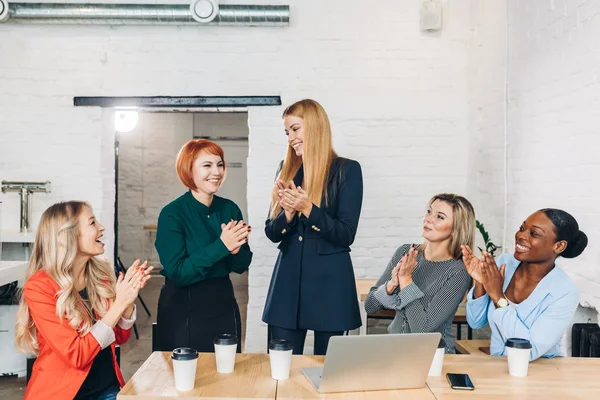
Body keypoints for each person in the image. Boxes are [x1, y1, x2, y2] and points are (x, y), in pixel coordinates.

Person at [15, 201, 152, 400]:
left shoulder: (100, 274)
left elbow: (120, 337)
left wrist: (128, 299)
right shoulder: (40, 287)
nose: (101, 228)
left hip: (106, 390)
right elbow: (77, 355)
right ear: (67, 236)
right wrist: (119, 303)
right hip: (60, 394)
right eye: (92, 223)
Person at [262, 99, 363, 355]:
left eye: (295, 129)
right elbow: (272, 233)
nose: (291, 138)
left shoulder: (347, 170)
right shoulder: (285, 170)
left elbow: (345, 234)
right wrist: (287, 213)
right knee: (281, 367)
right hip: (287, 286)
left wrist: (308, 209)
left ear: (315, 127)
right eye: (287, 132)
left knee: (326, 370)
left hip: (330, 286)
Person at [155, 139, 252, 353]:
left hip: (223, 302)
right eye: (207, 165)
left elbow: (241, 265)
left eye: (220, 164)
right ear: (188, 170)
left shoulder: (229, 209)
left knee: (226, 371)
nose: (216, 172)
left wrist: (235, 251)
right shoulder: (172, 214)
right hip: (184, 307)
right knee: (187, 378)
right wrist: (222, 246)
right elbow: (178, 273)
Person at [464, 208, 587, 361]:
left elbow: (529, 350)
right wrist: (481, 283)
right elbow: (475, 322)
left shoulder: (565, 291)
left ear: (559, 246)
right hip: (498, 365)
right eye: (522, 228)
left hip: (541, 370)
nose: (521, 236)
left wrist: (498, 296)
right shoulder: (504, 264)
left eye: (534, 233)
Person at [364, 193, 475, 353]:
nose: (428, 219)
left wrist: (406, 280)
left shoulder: (458, 271)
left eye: (440, 217)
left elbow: (422, 329)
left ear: (456, 228)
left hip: (433, 357)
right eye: (429, 211)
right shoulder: (405, 252)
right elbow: (370, 306)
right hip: (393, 352)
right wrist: (392, 284)